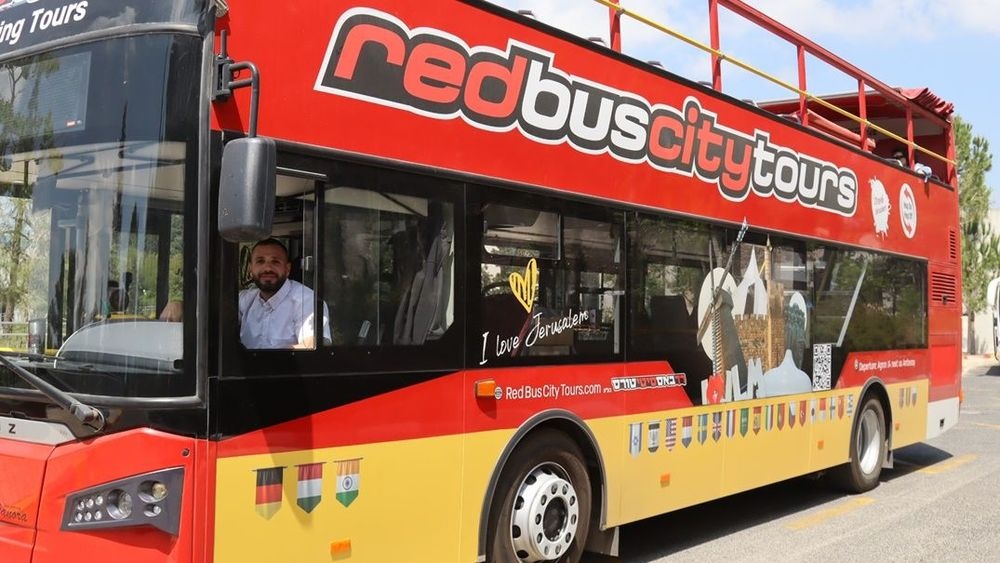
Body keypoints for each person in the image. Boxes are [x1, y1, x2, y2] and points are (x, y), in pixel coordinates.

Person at [238, 238, 331, 349]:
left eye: (275, 261)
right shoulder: (245, 300)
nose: (267, 268)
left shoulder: (306, 300)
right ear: (250, 268)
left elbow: (311, 346)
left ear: (287, 269)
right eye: (260, 261)